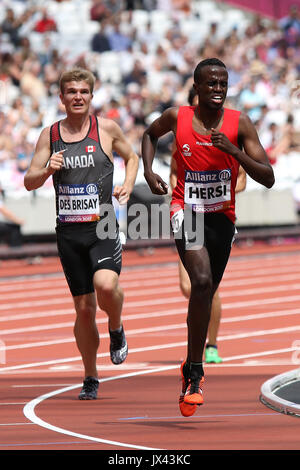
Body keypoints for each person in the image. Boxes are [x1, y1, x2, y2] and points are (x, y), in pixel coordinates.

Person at [142, 58, 274, 417]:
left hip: (222, 220)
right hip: (185, 211)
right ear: (196, 88)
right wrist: (149, 171)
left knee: (207, 290)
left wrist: (234, 151)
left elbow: (268, 177)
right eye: (210, 84)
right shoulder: (177, 117)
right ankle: (196, 374)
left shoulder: (239, 123)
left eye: (223, 83)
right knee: (199, 282)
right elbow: (149, 135)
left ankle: (189, 364)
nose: (217, 89)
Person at [24, 67, 139, 400]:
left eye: (83, 92)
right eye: (71, 92)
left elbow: (131, 157)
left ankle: (116, 326)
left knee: (106, 285)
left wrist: (128, 185)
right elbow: (29, 180)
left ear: (92, 95)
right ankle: (91, 376)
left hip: (102, 225)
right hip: (69, 232)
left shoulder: (106, 129)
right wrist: (47, 170)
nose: (77, 97)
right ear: (61, 98)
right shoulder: (50, 135)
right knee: (85, 309)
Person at [169, 87, 247, 365]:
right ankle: (197, 340)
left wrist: (220, 190)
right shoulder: (182, 133)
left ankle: (210, 345)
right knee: (188, 285)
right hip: (188, 216)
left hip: (218, 217)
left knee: (207, 286)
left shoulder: (228, 133)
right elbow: (174, 174)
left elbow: (241, 180)